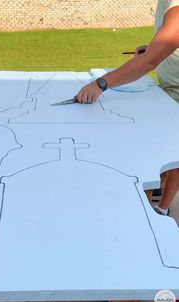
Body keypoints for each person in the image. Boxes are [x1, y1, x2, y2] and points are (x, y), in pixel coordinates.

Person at [76, 0, 179, 216]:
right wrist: (153, 48)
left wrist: (101, 84)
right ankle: (158, 195)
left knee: (174, 152)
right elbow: (165, 44)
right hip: (170, 89)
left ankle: (162, 209)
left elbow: (149, 62)